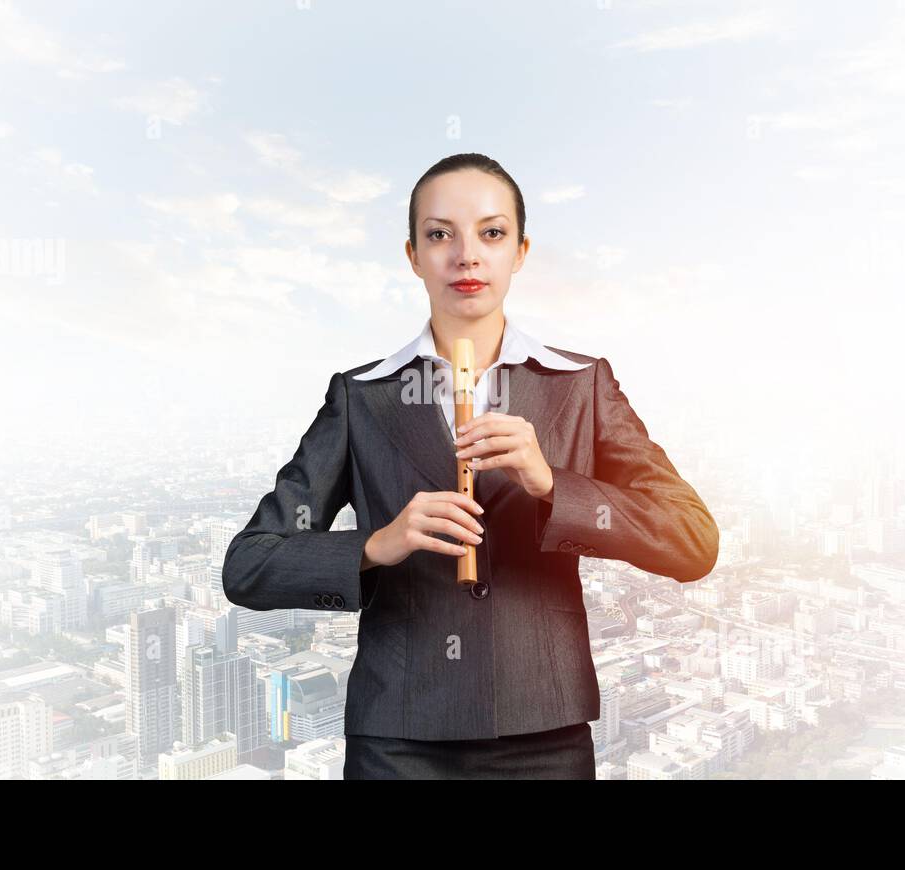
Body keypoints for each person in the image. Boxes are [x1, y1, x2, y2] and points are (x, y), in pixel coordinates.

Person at [224, 153, 719, 779]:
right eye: (439, 235)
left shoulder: (582, 385)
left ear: (520, 250)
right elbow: (248, 565)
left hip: (544, 731)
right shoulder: (360, 396)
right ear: (413, 256)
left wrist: (551, 485)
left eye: (491, 232)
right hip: (397, 740)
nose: (466, 255)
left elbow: (693, 542)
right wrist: (378, 544)